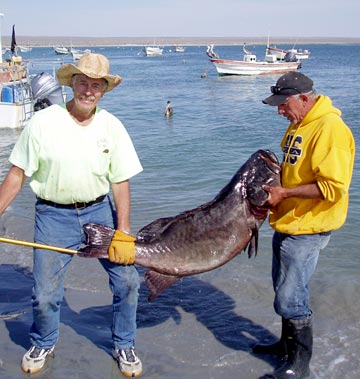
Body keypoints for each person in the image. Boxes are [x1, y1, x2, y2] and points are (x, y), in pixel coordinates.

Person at [0, 53, 144, 377]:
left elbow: (120, 182)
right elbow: (16, 176)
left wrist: (123, 230)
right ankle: (44, 341)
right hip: (52, 216)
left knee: (128, 282)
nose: (88, 91)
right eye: (83, 83)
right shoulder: (43, 122)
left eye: (96, 85)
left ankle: (124, 343)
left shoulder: (113, 126)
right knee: (45, 294)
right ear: (71, 84)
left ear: (103, 90)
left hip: (100, 213)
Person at [254, 72, 355, 379]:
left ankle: (299, 367)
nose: (279, 111)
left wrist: (284, 193)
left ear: (304, 99)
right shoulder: (299, 124)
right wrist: (273, 190)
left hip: (311, 226)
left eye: (283, 105)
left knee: (290, 296)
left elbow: (332, 187)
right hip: (289, 221)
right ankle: (285, 348)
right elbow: (292, 169)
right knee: (283, 288)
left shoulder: (330, 129)